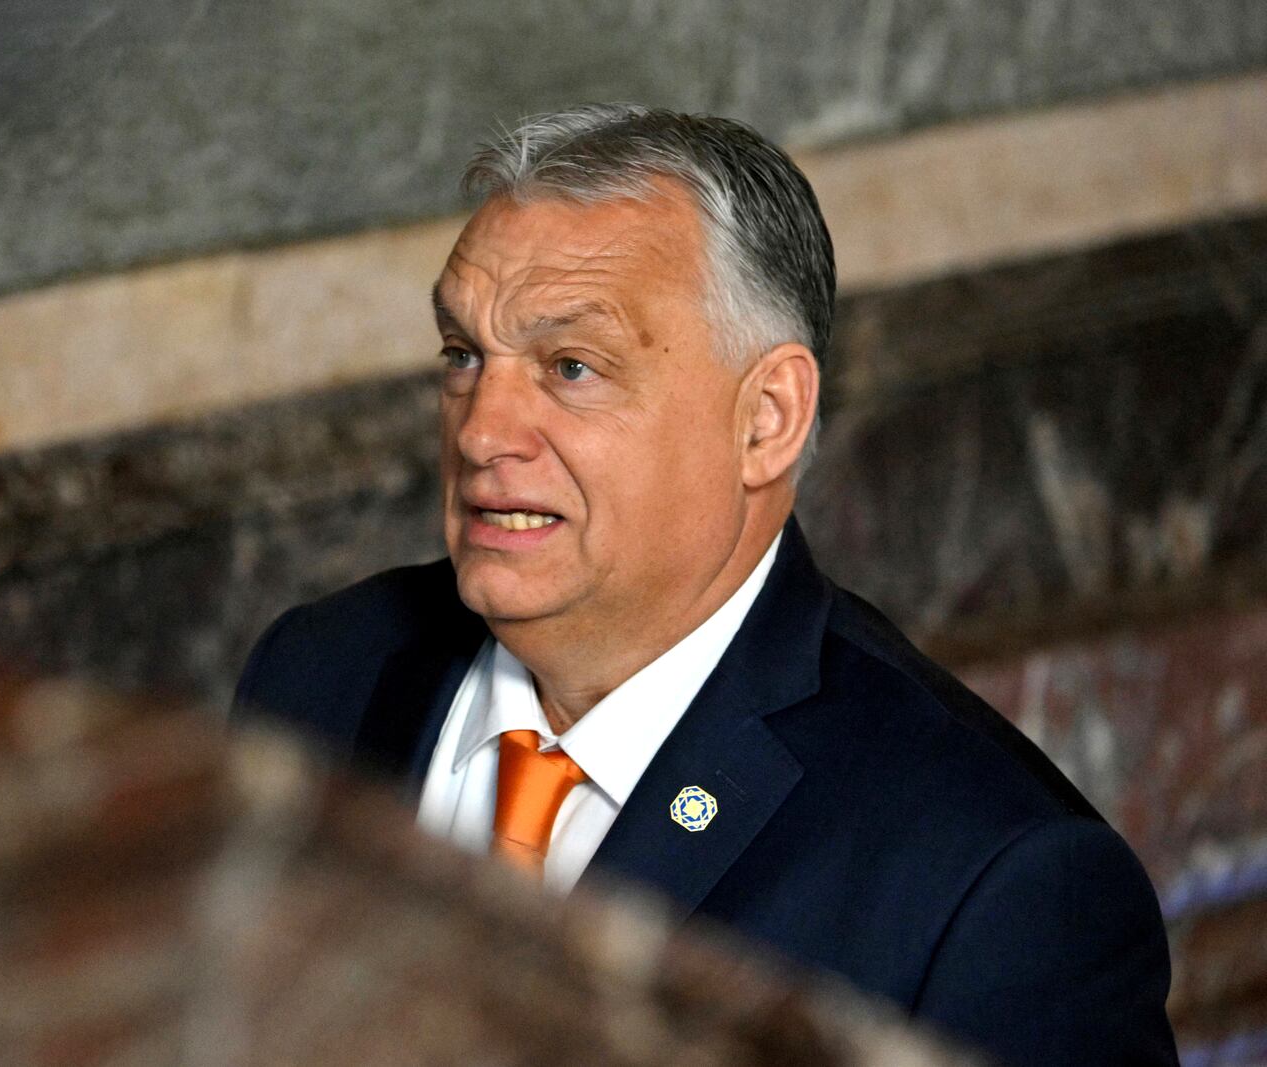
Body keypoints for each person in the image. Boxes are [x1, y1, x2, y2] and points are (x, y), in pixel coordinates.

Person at [233, 104, 1177, 1066]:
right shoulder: (320, 673)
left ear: (766, 419)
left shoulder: (996, 887)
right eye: (465, 356)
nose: (481, 432)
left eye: (571, 367)